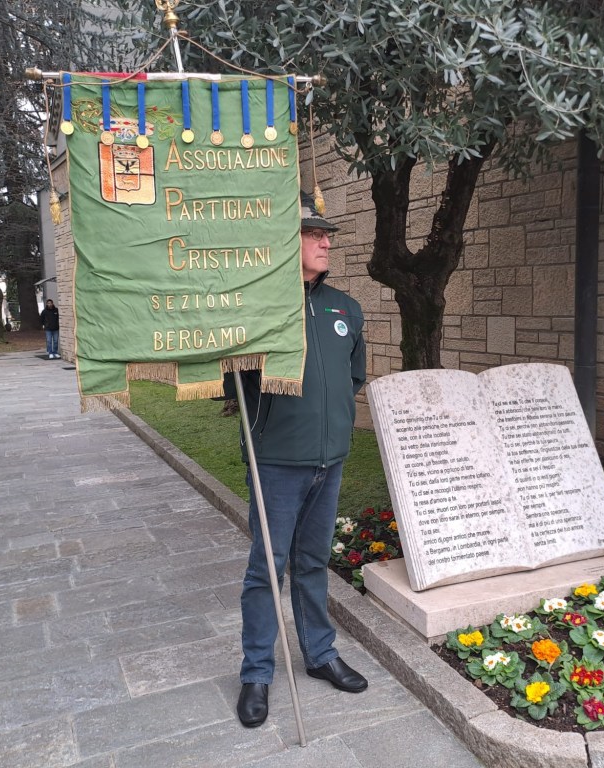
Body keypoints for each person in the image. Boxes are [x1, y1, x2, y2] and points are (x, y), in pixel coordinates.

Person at [228, 192, 367, 727]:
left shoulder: (345, 308)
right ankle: (257, 672)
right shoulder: (258, 308)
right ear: (286, 243)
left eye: (326, 234)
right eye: (313, 234)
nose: (326, 242)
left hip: (330, 460)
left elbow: (353, 377)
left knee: (312, 562)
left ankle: (320, 654)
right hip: (277, 462)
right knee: (268, 569)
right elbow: (233, 383)